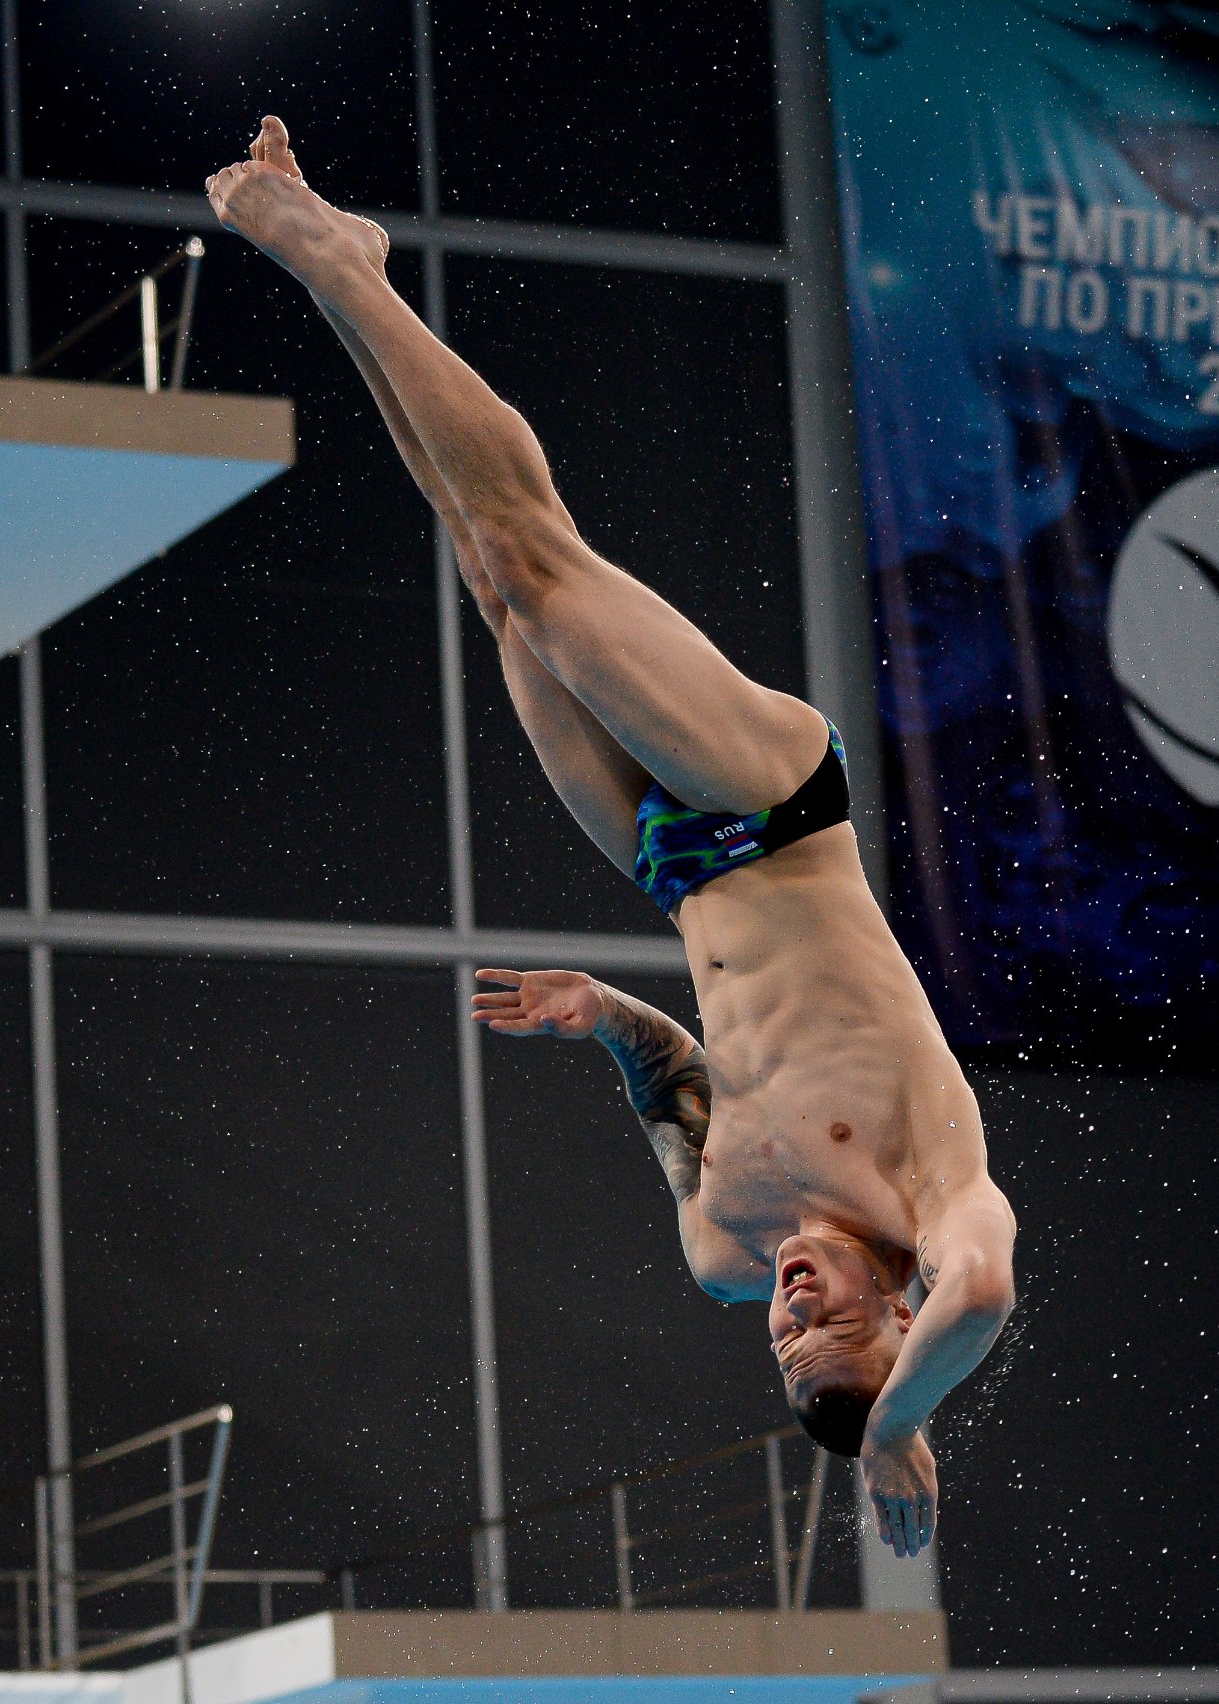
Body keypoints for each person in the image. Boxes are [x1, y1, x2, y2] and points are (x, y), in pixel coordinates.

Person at [207, 118, 1014, 1560]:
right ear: (902, 1318)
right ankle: (337, 258)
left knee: (491, 580)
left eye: (786, 1352)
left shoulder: (722, 1248)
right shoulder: (936, 1196)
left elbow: (686, 1077)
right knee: (535, 549)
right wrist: (892, 1432)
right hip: (773, 810)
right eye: (836, 1331)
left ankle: (349, 278)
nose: (791, 1316)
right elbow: (991, 1303)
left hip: (668, 864)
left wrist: (603, 1021)